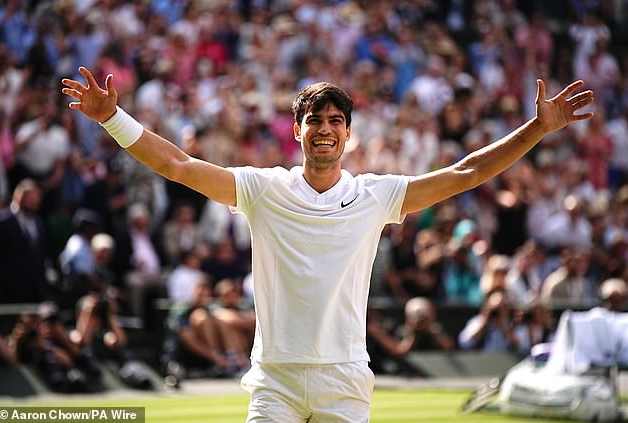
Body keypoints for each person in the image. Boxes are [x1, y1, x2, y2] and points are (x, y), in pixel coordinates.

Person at [62, 66, 593, 422]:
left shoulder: (375, 195)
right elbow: (176, 165)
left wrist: (537, 129)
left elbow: (468, 172)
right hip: (275, 380)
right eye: (314, 120)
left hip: (344, 379)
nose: (325, 129)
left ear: (348, 135)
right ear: (297, 129)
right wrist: (112, 116)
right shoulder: (261, 188)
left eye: (336, 121)